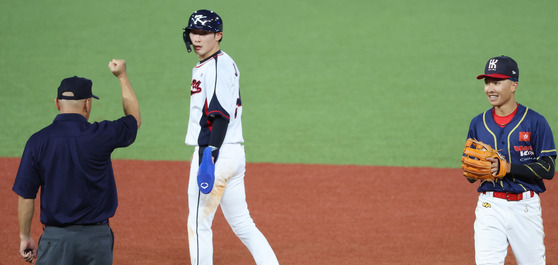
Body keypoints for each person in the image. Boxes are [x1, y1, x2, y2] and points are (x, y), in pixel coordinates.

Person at [13, 59, 141, 264]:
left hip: (55, 241)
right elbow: (134, 119)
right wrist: (122, 77)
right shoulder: (101, 135)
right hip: (96, 241)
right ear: (88, 103)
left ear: (56, 103)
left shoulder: (37, 142)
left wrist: (25, 236)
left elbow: (26, 196)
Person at [182, 9, 279, 265]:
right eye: (194, 31)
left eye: (204, 33)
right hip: (233, 153)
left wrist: (208, 156)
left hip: (216, 152)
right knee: (242, 223)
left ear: (218, 35)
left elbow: (219, 116)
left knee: (198, 224)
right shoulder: (224, 62)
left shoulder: (215, 66)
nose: (197, 38)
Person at [465, 55, 556, 264]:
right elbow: (470, 172)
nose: (490, 88)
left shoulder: (535, 122)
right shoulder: (478, 123)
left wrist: (507, 168)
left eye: (497, 82)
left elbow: (548, 168)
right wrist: (473, 171)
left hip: (525, 208)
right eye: (487, 82)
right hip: (490, 206)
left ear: (514, 85)